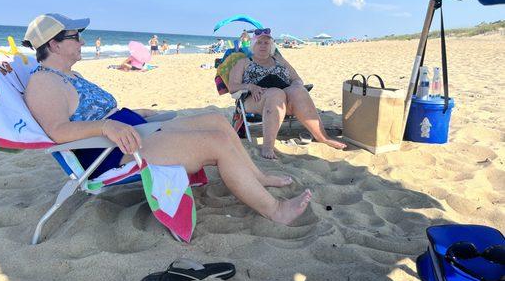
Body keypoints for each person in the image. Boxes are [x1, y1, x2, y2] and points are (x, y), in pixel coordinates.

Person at [22, 13, 312, 226]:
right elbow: (58, 131)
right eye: (74, 37)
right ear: (54, 45)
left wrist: (131, 113)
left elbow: (93, 111)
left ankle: (258, 177)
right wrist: (107, 125)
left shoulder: (69, 75)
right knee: (216, 143)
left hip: (127, 132)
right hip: (109, 152)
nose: (82, 41)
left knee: (217, 122)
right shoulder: (44, 83)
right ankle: (275, 210)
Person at [228, 28, 346, 159]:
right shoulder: (243, 62)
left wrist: (295, 86)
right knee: (275, 94)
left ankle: (323, 137)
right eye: (259, 42)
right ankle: (268, 146)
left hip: (284, 98)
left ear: (271, 45)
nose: (263, 46)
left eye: (266, 43)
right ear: (253, 45)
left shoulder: (279, 60)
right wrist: (250, 86)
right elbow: (232, 86)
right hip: (255, 99)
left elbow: (297, 79)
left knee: (298, 90)